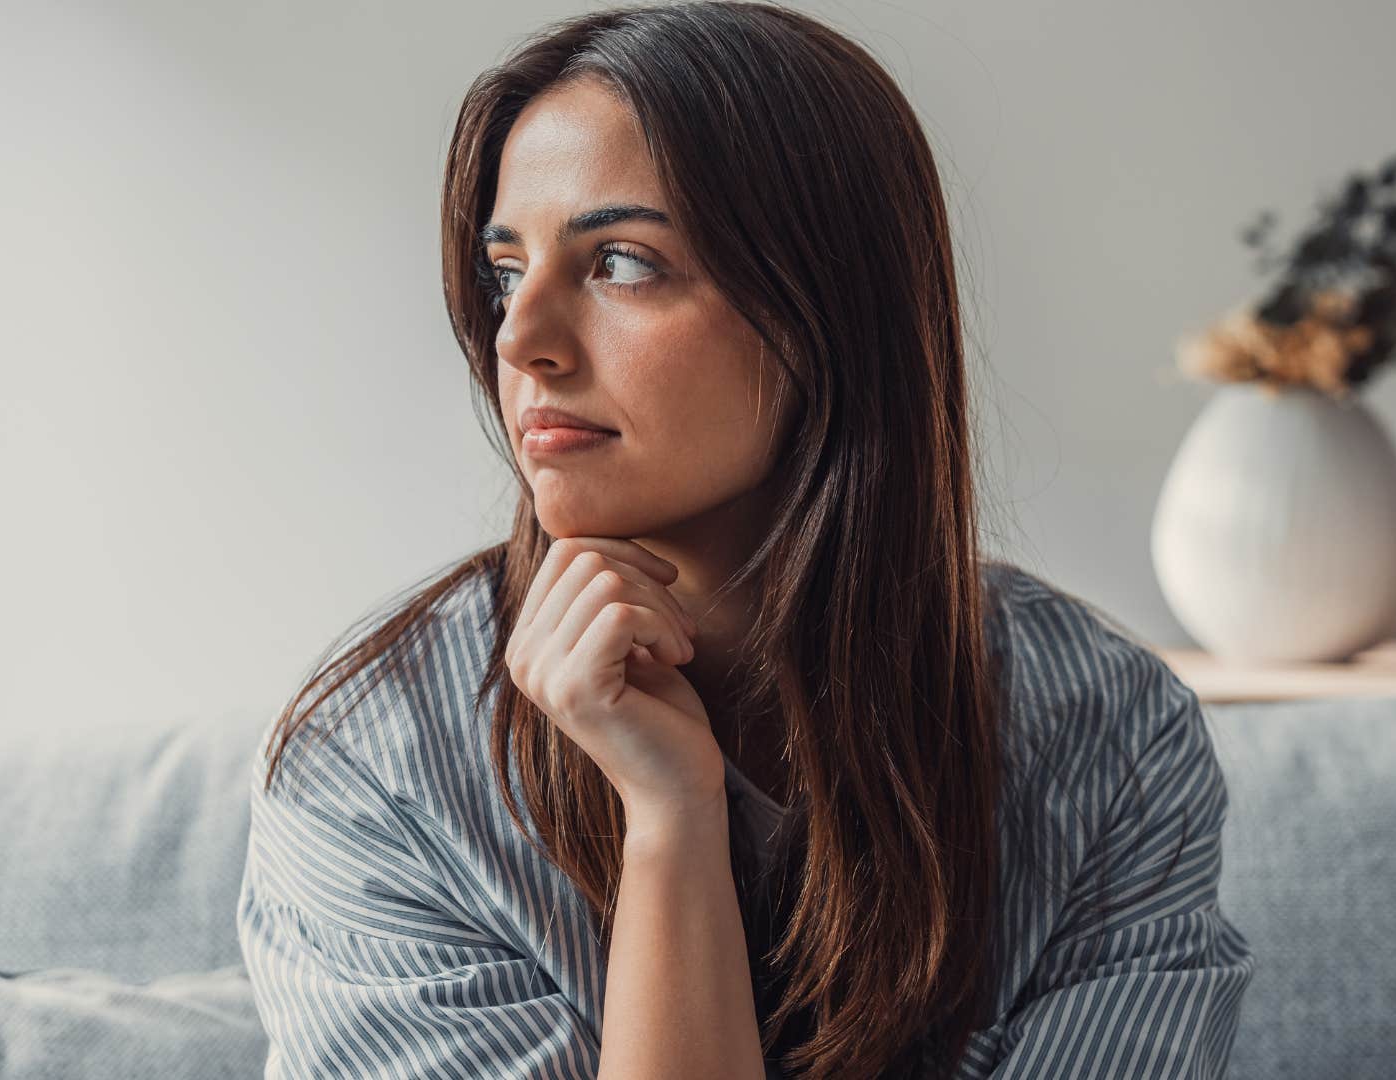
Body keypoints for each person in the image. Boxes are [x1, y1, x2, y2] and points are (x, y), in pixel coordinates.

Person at [234, 2, 1255, 1078]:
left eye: (622, 263)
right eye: (503, 272)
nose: (520, 340)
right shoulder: (376, 769)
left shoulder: (1103, 743)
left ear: (824, 314)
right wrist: (673, 822)